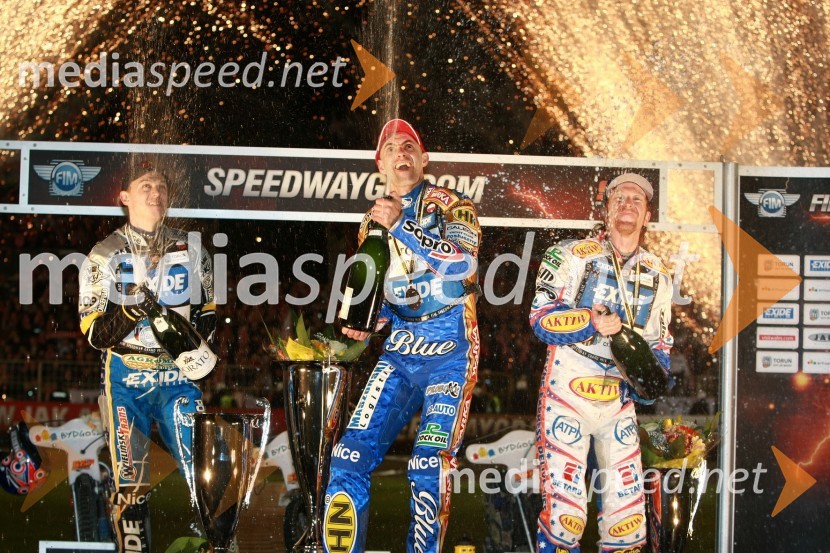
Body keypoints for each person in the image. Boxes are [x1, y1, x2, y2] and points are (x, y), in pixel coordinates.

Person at [323, 119, 481, 553]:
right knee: (347, 456)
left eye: (409, 145)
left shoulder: (453, 204)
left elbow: (463, 266)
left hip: (451, 348)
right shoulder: (369, 221)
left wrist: (401, 226)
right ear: (380, 164)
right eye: (391, 147)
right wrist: (369, 320)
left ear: (424, 159)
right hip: (400, 350)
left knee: (428, 465)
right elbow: (388, 293)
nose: (401, 152)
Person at [528, 173, 673, 552]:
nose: (627, 204)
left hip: (617, 402)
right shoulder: (570, 253)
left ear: (647, 216)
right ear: (605, 209)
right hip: (567, 393)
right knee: (566, 516)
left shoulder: (659, 273)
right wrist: (588, 320)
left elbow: (659, 345)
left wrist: (650, 381)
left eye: (637, 200)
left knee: (628, 522)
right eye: (619, 198)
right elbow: (540, 318)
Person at [78, 167, 216, 553]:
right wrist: (131, 309)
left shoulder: (192, 249)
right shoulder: (104, 254)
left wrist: (196, 348)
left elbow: (208, 313)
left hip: (177, 378)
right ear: (125, 197)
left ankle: (220, 543)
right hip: (127, 377)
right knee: (132, 485)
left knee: (206, 474)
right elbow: (94, 334)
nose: (156, 192)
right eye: (146, 186)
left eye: (162, 186)